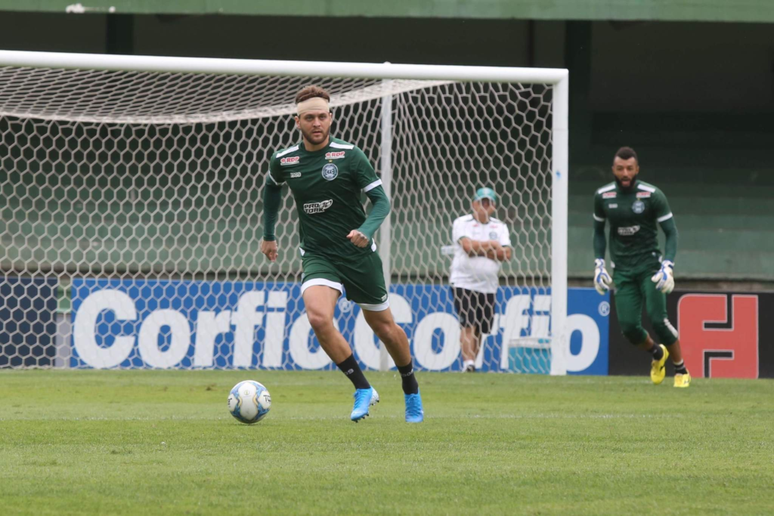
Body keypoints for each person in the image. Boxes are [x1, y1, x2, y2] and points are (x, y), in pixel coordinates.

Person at [261, 85, 424, 422]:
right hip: (318, 253)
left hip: (357, 253)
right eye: (309, 117)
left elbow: (382, 201)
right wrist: (268, 235)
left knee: (384, 328)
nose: (316, 122)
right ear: (297, 122)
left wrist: (366, 230)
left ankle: (410, 388)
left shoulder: (350, 155)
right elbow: (271, 190)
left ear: (331, 117)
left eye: (322, 116)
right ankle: (362, 388)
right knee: (318, 317)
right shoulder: (284, 159)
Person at [593, 146, 690, 388]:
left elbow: (671, 233)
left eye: (629, 168)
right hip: (623, 270)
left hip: (650, 268)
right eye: (620, 168)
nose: (625, 173)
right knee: (628, 328)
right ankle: (658, 354)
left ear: (637, 169)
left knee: (658, 320)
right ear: (613, 170)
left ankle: (681, 369)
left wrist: (668, 266)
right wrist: (598, 265)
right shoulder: (603, 197)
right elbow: (598, 233)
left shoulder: (652, 195)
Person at [450, 187, 512, 372]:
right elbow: (467, 247)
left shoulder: (500, 226)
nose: (485, 205)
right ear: (474, 204)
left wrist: (482, 249)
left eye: (489, 202)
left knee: (480, 328)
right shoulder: (462, 222)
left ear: (494, 206)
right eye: (482, 202)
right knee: (468, 323)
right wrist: (493, 247)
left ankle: (471, 364)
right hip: (463, 281)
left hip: (489, 285)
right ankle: (468, 362)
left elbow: (507, 253)